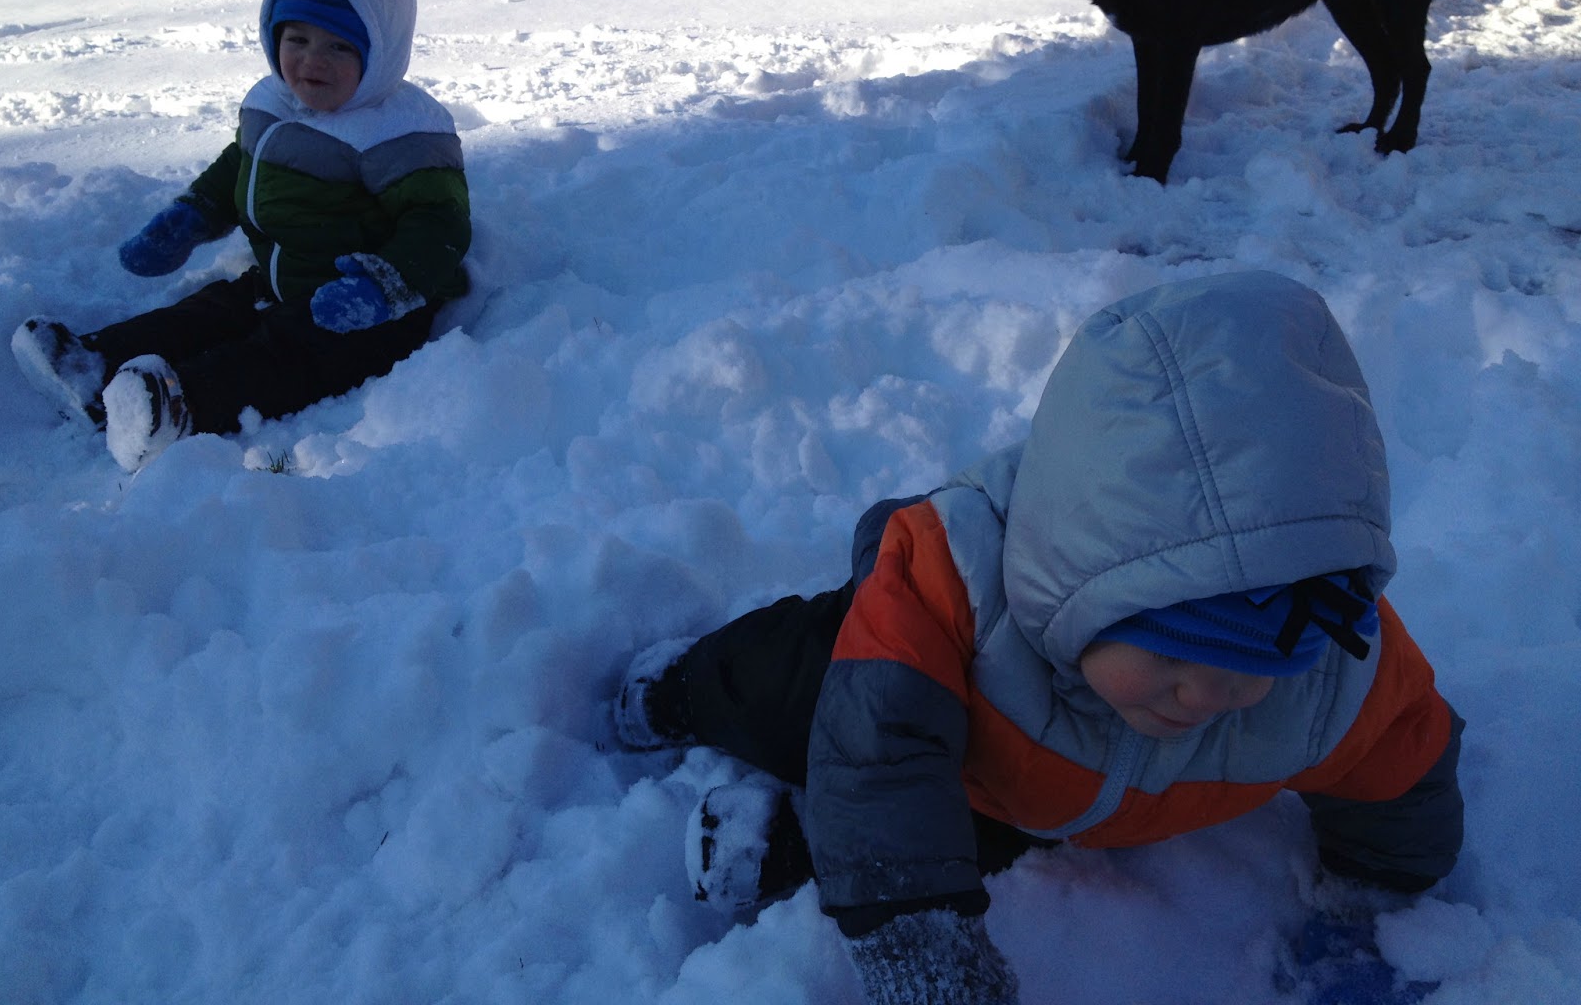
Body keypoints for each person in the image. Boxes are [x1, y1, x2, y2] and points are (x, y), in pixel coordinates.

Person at [614, 271, 1464, 1005]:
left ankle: (803, 839)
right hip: (899, 684)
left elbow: (1406, 759)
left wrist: (1375, 888)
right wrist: (922, 954)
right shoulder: (952, 597)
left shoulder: (1329, 674)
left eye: (1250, 668)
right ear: (1084, 599)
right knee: (783, 683)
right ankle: (689, 686)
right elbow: (880, 762)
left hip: (1028, 791)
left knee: (959, 839)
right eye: (1170, 655)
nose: (1205, 697)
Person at [11, 0, 471, 472]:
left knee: (279, 356)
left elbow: (440, 225)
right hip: (280, 280)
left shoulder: (399, 133)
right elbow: (239, 167)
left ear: (381, 51)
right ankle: (92, 366)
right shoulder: (273, 104)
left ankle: (181, 409)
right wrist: (192, 215)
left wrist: (382, 287)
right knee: (206, 313)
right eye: (296, 39)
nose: (311, 61)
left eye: (338, 46)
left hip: (364, 313)